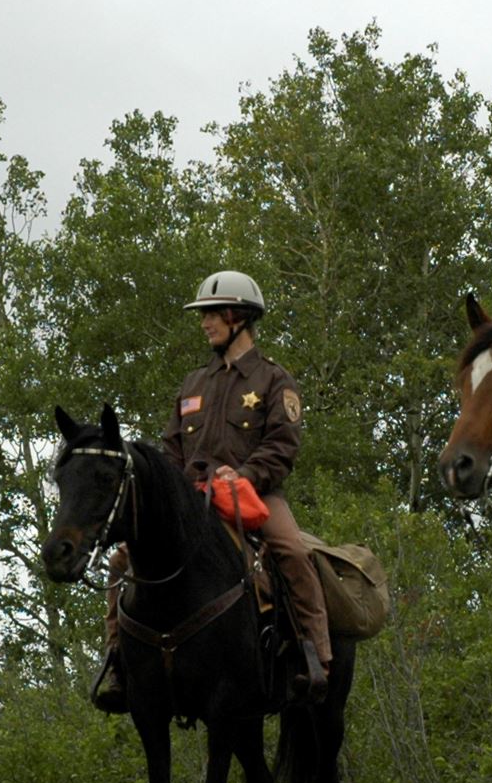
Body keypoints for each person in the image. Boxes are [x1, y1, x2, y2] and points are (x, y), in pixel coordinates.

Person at [97, 271, 333, 706]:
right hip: (190, 502)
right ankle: (117, 662)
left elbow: (282, 446)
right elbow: (171, 450)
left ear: (238, 317)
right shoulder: (193, 383)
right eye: (203, 315)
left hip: (255, 495)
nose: (204, 323)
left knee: (294, 552)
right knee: (121, 559)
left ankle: (315, 655)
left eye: (211, 314)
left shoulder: (274, 380)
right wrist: (168, 493)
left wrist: (244, 475)